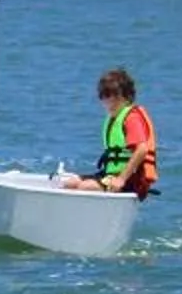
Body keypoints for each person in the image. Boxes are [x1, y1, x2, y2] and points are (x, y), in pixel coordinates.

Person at [57, 69, 157, 198]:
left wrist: (121, 179)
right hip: (109, 175)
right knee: (70, 184)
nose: (110, 101)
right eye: (105, 96)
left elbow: (142, 149)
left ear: (127, 96)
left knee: (85, 187)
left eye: (116, 96)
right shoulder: (113, 119)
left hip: (130, 179)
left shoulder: (131, 118)